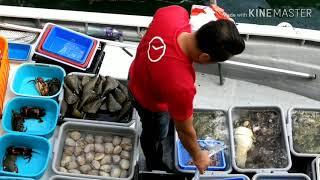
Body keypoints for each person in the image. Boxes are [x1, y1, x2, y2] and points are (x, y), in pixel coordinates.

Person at [128, 5, 245, 173]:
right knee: (154, 134)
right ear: (204, 57)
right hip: (149, 103)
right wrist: (198, 156)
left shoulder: (174, 13)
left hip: (135, 75)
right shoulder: (181, 85)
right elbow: (184, 130)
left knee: (165, 120)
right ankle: (154, 161)